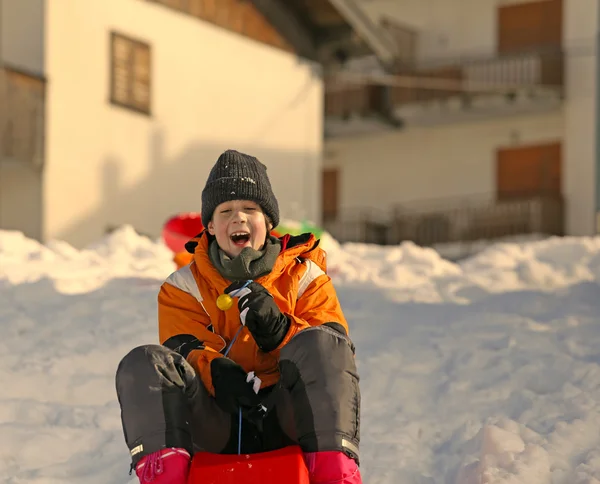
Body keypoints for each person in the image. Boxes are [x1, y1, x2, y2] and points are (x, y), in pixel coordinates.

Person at [115, 150, 362, 484]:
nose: (239, 218)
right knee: (143, 363)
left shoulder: (306, 277)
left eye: (251, 209)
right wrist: (216, 371)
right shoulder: (182, 288)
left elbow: (333, 352)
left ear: (269, 221)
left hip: (291, 419)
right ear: (211, 226)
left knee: (323, 344)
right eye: (226, 210)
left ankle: (335, 477)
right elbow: (183, 349)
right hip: (219, 422)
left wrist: (279, 331)